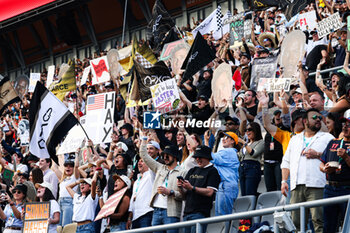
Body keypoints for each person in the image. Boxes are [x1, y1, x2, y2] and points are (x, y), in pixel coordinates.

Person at [281, 108, 334, 233]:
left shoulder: (327, 137)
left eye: (320, 118)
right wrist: (284, 181)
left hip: (317, 185)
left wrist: (317, 154)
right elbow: (286, 161)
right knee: (296, 223)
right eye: (314, 118)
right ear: (305, 121)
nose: (318, 120)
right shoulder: (295, 139)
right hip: (296, 186)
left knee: (319, 221)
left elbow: (335, 157)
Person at [139, 129, 185, 233]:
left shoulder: (182, 171)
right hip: (156, 210)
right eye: (164, 155)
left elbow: (185, 195)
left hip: (171, 212)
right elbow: (144, 156)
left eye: (167, 155)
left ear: (175, 156)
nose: (165, 157)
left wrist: (170, 192)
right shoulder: (160, 167)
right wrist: (144, 138)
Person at [178, 145, 220, 233]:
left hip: (200, 213)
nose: (197, 159)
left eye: (200, 157)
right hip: (186, 213)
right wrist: (181, 188)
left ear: (207, 157)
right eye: (196, 157)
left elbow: (210, 192)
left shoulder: (213, 171)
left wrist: (192, 188)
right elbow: (184, 196)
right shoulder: (192, 170)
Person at [319, 112, 350, 233]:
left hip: (346, 188)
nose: (345, 127)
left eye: (349, 125)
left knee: (347, 225)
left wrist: (346, 157)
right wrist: (324, 169)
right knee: (328, 225)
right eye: (344, 124)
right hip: (330, 188)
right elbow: (321, 162)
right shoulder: (333, 142)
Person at [205, 131, 240, 216]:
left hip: (226, 186)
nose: (224, 139)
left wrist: (206, 141)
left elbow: (209, 156)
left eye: (227, 137)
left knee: (223, 216)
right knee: (222, 215)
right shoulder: (229, 152)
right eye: (223, 137)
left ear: (233, 141)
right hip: (226, 186)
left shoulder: (229, 152)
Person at [127, 158, 154, 229]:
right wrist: (130, 218)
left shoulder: (151, 176)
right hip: (135, 217)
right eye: (138, 161)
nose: (139, 163)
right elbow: (132, 200)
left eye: (142, 161)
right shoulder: (136, 182)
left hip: (146, 214)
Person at [238, 122, 264, 196]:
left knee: (250, 193)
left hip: (252, 167)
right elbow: (240, 156)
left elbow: (253, 153)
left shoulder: (260, 142)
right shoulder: (246, 144)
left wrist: (243, 143)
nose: (247, 132)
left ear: (255, 130)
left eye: (249, 129)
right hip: (242, 168)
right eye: (246, 130)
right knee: (244, 194)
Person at [52, 157, 79, 226]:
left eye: (70, 166)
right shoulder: (62, 178)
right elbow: (54, 168)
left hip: (69, 202)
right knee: (58, 227)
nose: (68, 168)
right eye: (66, 166)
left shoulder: (75, 177)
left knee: (66, 226)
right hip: (59, 202)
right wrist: (54, 154)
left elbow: (76, 166)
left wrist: (77, 154)